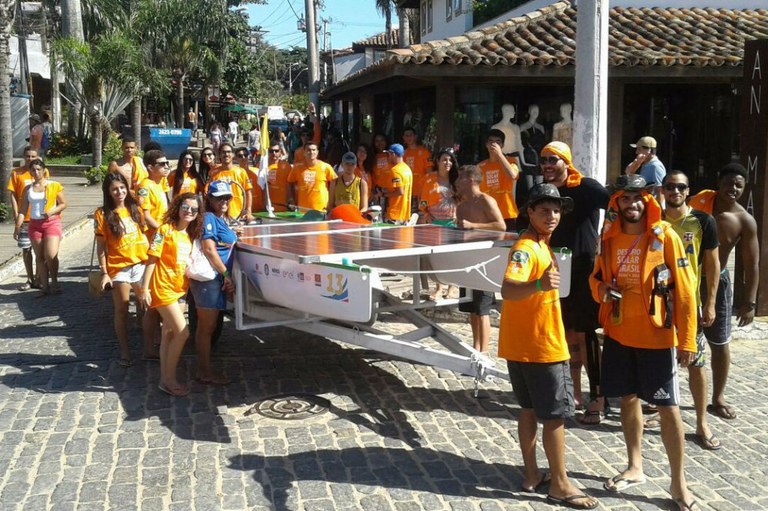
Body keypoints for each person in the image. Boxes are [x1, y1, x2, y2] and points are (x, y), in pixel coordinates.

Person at [590, 174, 698, 511]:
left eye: (638, 198)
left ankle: (679, 484)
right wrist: (601, 291)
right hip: (620, 332)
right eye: (625, 199)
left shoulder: (663, 235)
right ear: (616, 203)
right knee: (627, 399)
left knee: (668, 408)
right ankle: (635, 466)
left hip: (658, 336)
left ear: (647, 200)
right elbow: (594, 279)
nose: (632, 205)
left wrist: (688, 340)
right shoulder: (608, 238)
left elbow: (685, 290)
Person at [499, 183, 598, 510]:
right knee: (554, 418)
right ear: (530, 212)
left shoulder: (540, 245)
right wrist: (539, 284)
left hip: (521, 344)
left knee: (529, 410)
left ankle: (532, 474)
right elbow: (508, 289)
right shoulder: (526, 248)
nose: (552, 216)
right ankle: (559, 483)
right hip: (541, 346)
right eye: (544, 210)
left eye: (556, 210)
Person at [540, 141, 611, 423]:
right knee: (565, 333)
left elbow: (616, 205)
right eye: (543, 159)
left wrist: (609, 245)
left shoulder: (586, 187)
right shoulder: (545, 192)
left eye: (552, 159)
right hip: (555, 270)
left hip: (584, 271)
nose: (546, 164)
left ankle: (599, 397)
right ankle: (574, 393)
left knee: (585, 334)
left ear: (565, 162)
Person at [690, 162, 759, 421]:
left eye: (739, 185)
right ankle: (662, 396)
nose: (733, 188)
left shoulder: (744, 220)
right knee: (675, 339)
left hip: (717, 284)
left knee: (719, 342)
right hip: (687, 280)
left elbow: (752, 264)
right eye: (729, 183)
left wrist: (750, 303)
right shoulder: (696, 207)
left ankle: (717, 397)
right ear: (718, 184)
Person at [660, 170, 721, 450]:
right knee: (660, 362)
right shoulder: (654, 221)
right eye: (670, 186)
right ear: (663, 190)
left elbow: (712, 265)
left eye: (680, 187)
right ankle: (662, 412)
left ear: (688, 191)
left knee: (696, 364)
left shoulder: (703, 221)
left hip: (689, 304)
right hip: (658, 305)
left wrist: (709, 303)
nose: (675, 191)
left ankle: (700, 421)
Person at [138, 193, 203, 397]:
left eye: (194, 209)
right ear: (178, 206)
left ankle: (163, 380)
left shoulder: (189, 234)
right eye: (186, 206)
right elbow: (151, 259)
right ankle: (170, 379)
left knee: (168, 333)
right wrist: (144, 288)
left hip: (180, 289)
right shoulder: (163, 230)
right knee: (183, 332)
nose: (189, 211)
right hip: (162, 288)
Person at [94, 173, 151, 366]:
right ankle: (125, 352)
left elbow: (143, 236)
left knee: (145, 308)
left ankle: (148, 348)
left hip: (141, 265)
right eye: (115, 189)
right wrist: (104, 272)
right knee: (122, 310)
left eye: (122, 188)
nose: (119, 192)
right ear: (108, 192)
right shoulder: (102, 214)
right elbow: (101, 247)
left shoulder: (135, 209)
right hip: (119, 268)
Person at [191, 181, 242, 385]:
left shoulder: (219, 219)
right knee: (206, 328)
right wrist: (226, 274)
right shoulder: (209, 218)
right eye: (219, 197)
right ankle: (204, 372)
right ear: (209, 199)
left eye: (227, 197)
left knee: (209, 327)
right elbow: (209, 249)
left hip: (214, 278)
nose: (224, 201)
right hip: (209, 279)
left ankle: (205, 369)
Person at [455, 165, 506, 353]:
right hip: (467, 259)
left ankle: (483, 353)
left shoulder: (486, 200)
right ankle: (475, 348)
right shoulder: (461, 207)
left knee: (483, 308)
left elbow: (501, 226)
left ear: (470, 180)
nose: (457, 183)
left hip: (485, 259)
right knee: (471, 308)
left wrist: (472, 225)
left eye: (460, 178)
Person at [13, 158, 67, 297]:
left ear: (44, 171)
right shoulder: (27, 189)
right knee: (40, 257)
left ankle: (54, 281)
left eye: (38, 169)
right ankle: (44, 286)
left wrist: (50, 212)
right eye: (33, 170)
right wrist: (18, 226)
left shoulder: (54, 185)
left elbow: (63, 204)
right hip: (34, 225)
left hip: (51, 222)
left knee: (51, 255)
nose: (36, 172)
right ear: (30, 172)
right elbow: (23, 210)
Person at [420, 148, 459, 300]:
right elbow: (423, 201)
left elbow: (463, 200)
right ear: (437, 161)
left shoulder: (456, 179)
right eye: (444, 159)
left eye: (450, 160)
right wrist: (426, 215)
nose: (447, 163)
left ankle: (451, 287)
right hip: (435, 223)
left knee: (452, 257)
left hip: (453, 223)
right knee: (437, 258)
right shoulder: (429, 179)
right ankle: (438, 288)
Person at [7, 147, 48, 290]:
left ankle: (39, 278)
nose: (30, 159)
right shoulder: (16, 173)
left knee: (40, 250)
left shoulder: (41, 172)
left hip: (40, 218)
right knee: (26, 249)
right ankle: (29, 278)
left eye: (33, 156)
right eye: (28, 156)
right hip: (24, 218)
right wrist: (16, 214)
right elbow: (12, 195)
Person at [477, 129, 521, 231]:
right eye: (491, 141)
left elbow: (512, 175)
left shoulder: (511, 161)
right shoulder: (480, 167)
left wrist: (499, 155)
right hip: (487, 215)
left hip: (507, 213)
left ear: (502, 145)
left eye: (498, 142)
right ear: (486, 144)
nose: (494, 144)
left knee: (507, 245)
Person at [208, 143, 253, 221]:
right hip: (220, 216)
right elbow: (209, 195)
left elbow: (248, 193)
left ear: (233, 155)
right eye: (223, 152)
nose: (226, 154)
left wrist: (248, 211)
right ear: (219, 155)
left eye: (229, 152)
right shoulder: (213, 173)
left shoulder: (241, 172)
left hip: (238, 215)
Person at [287, 141, 336, 212]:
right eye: (308, 150)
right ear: (304, 152)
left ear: (317, 152)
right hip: (303, 210)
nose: (311, 152)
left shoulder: (326, 167)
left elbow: (334, 181)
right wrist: (291, 199)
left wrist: (330, 203)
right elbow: (289, 182)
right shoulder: (297, 167)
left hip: (321, 210)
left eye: (314, 150)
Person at [137, 150, 172, 240]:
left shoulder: (160, 182)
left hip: (163, 230)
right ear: (151, 168)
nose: (166, 167)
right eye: (162, 164)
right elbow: (146, 216)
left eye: (167, 163)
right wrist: (162, 230)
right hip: (153, 234)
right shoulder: (144, 186)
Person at [381, 144, 413, 224]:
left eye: (389, 154)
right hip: (404, 215)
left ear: (393, 154)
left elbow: (400, 192)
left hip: (394, 215)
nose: (388, 157)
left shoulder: (395, 171)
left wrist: (383, 194)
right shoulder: (407, 169)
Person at [402, 127, 432, 207]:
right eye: (406, 135)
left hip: (422, 192)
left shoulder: (425, 152)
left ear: (415, 136)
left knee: (423, 213)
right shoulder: (403, 154)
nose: (408, 137)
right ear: (403, 138)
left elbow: (429, 173)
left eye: (411, 135)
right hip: (408, 193)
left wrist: (427, 189)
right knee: (411, 217)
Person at [266, 141, 293, 212]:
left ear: (280, 152)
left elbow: (290, 185)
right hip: (267, 206)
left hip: (283, 206)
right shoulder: (262, 166)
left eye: (276, 151)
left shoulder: (286, 166)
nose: (274, 153)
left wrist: (290, 200)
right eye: (271, 151)